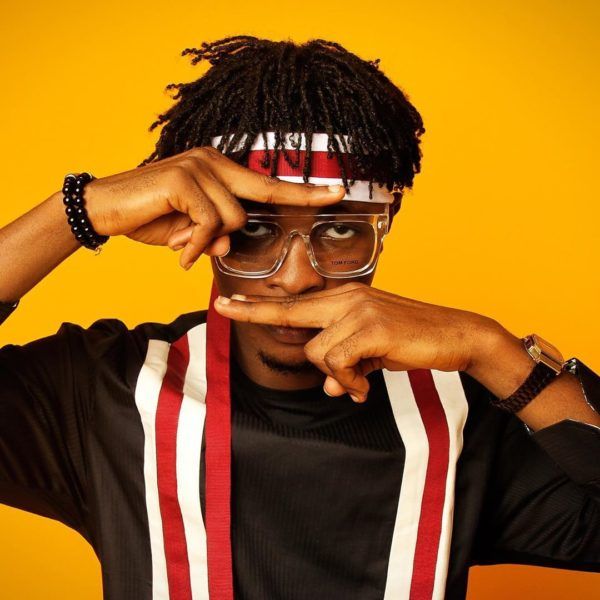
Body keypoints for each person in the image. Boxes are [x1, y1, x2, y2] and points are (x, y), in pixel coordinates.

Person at [1, 35, 599, 600]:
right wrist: (78, 211)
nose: (295, 278)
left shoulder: (462, 413)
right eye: (253, 230)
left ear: (383, 229)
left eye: (339, 231)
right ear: (195, 221)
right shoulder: (110, 392)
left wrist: (492, 349)